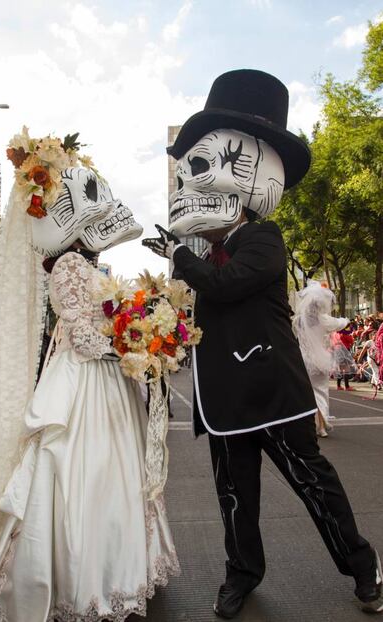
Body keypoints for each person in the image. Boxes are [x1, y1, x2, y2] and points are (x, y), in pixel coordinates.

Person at [143, 69, 382, 618]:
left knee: (314, 485)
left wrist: (178, 257)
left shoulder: (263, 239)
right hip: (226, 399)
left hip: (273, 390)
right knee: (234, 497)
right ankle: (241, 574)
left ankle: (363, 568)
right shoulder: (202, 255)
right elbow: (202, 302)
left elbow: (228, 287)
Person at [0, 130, 179, 621]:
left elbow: (97, 324)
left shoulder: (86, 263)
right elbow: (84, 336)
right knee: (80, 473)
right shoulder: (66, 265)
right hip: (84, 382)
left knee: (110, 474)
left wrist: (141, 339)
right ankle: (78, 580)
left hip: (104, 382)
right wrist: (134, 346)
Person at [292, 281, 348, 437]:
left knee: (307, 393)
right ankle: (322, 426)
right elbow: (341, 323)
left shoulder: (298, 320)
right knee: (321, 392)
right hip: (320, 360)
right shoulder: (323, 319)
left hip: (303, 359)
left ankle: (314, 423)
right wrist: (346, 320)